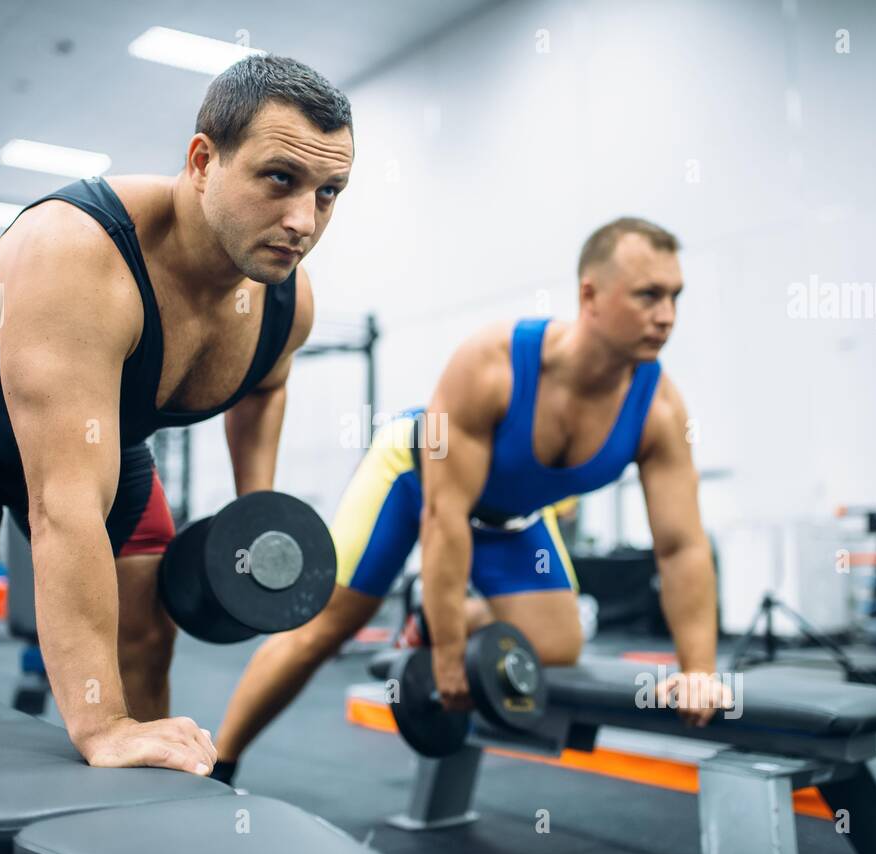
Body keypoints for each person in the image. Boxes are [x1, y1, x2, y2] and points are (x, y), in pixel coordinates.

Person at [0, 54, 354, 777]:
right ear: (201, 160)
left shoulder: (284, 301)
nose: (302, 219)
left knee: (146, 637)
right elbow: (63, 507)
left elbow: (264, 387)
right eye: (280, 178)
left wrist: (258, 510)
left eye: (329, 191)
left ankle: (147, 828)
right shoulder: (82, 255)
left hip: (98, 434)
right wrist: (102, 725)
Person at [213, 218, 725, 785]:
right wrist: (451, 654)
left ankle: (432, 614)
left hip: (511, 516)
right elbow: (443, 514)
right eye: (648, 295)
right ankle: (220, 762)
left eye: (675, 296)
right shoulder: (494, 364)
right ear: (591, 295)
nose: (667, 316)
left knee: (560, 643)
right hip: (414, 481)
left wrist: (698, 669)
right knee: (325, 629)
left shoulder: (660, 410)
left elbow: (681, 547)